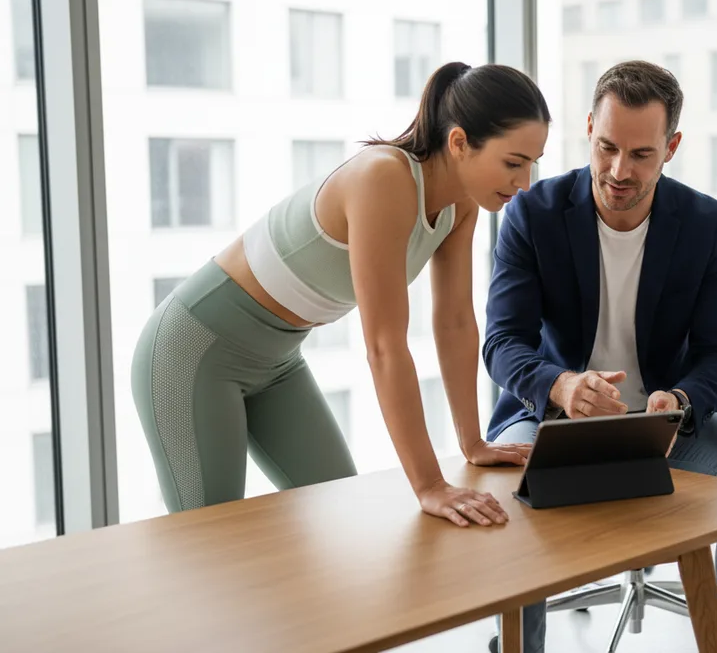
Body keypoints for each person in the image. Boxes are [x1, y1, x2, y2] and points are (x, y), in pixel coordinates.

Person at [131, 62, 550, 528]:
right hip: (194, 349)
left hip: (277, 362)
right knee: (206, 538)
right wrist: (430, 485)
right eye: (513, 163)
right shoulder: (384, 178)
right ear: (458, 143)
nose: (525, 183)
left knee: (334, 511)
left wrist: (472, 443)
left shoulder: (461, 205)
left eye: (532, 164)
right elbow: (385, 347)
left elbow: (454, 323)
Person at [483, 60, 717, 653]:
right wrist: (562, 386)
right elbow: (502, 343)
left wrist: (681, 402)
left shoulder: (706, 224)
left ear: (671, 147)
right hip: (551, 416)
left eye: (642, 154)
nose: (619, 171)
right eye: (607, 147)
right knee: (509, 480)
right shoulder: (533, 213)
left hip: (665, 426)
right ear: (588, 129)